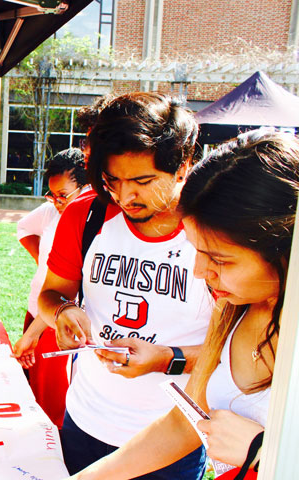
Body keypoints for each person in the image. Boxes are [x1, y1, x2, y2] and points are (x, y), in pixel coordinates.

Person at [70, 128, 297, 479]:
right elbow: (183, 423)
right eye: (197, 252)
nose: (200, 271)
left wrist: (267, 452)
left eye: (220, 260)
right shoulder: (233, 306)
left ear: (284, 252)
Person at [38, 92, 213, 478]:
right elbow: (49, 295)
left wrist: (168, 358)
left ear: (182, 166)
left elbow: (246, 352)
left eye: (143, 181)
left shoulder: (215, 230)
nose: (125, 195)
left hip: (170, 441)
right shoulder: (86, 214)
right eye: (112, 180)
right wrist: (64, 312)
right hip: (83, 421)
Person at [12, 148, 88, 428]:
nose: (56, 201)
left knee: (53, 400)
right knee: (31, 389)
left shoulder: (86, 221)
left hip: (58, 322)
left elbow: (67, 296)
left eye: (63, 195)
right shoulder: (49, 213)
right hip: (36, 308)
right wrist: (42, 262)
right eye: (51, 194)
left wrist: (36, 332)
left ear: (85, 186)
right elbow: (23, 229)